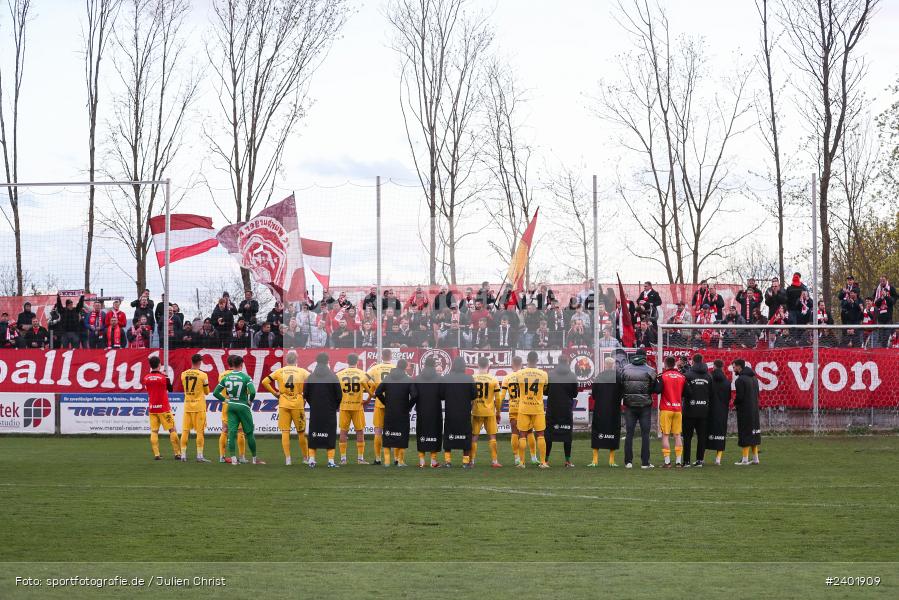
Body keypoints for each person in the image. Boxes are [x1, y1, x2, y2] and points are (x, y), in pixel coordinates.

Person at [261, 351, 310, 466]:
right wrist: (306, 395)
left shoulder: (280, 371)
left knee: (285, 432)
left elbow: (265, 381)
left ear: (286, 360)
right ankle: (305, 458)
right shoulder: (302, 371)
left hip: (283, 403)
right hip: (297, 403)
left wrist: (275, 393)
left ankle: (288, 459)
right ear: (296, 359)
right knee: (301, 432)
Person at [213, 355, 265, 465]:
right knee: (249, 433)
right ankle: (254, 459)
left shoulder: (225, 377)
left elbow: (215, 393)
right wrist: (250, 401)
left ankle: (233, 459)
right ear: (241, 365)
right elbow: (253, 392)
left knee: (230, 432)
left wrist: (226, 400)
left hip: (230, 406)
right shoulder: (246, 377)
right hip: (242, 406)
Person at [619, 348, 658, 469]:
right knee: (645, 434)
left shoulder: (625, 369)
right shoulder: (651, 370)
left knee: (629, 433)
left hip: (629, 405)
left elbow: (621, 385)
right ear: (645, 357)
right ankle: (645, 462)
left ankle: (628, 462)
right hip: (644, 406)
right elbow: (655, 389)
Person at [303, 353, 342, 468]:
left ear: (316, 361)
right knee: (330, 434)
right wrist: (334, 406)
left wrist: (313, 404)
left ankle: (311, 460)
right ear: (327, 361)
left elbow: (306, 394)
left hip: (315, 410)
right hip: (329, 410)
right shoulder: (333, 377)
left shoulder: (311, 377)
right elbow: (339, 395)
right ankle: (330, 461)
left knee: (313, 434)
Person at [375, 359, 415, 467]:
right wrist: (408, 406)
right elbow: (415, 395)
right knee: (402, 435)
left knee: (388, 435)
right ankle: (400, 461)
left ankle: (387, 461)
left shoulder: (388, 378)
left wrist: (386, 402)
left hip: (390, 412)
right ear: (405, 367)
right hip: (402, 412)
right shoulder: (408, 379)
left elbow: (377, 392)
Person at [515, 351, 550, 469]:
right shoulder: (543, 374)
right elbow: (545, 388)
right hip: (537, 408)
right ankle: (543, 462)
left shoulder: (519, 373)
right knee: (540, 434)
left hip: (524, 407)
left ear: (527, 360)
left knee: (522, 435)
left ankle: (521, 463)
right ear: (537, 360)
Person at [142, 355, 180, 460]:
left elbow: (148, 389)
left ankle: (157, 454)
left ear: (150, 365)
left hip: (152, 408)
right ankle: (177, 453)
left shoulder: (146, 378)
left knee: (154, 431)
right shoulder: (164, 378)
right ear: (159, 365)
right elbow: (171, 389)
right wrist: (165, 376)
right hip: (164, 408)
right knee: (172, 430)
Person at [442, 357, 476, 468]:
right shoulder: (469, 378)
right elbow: (474, 395)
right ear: (463, 366)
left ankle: (447, 462)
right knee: (466, 436)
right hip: (464, 412)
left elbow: (441, 395)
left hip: (450, 412)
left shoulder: (446, 378)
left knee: (448, 436)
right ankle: (465, 462)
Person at [336, 353, 370, 465]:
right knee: (360, 431)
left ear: (347, 361)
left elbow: (334, 390)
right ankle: (360, 459)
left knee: (343, 431)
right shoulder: (363, 374)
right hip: (357, 406)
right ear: (357, 361)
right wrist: (369, 398)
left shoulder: (339, 374)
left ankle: (343, 459)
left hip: (344, 406)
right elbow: (373, 385)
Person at [545, 356, 578, 467]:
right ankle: (568, 461)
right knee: (567, 435)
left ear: (558, 362)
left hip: (552, 409)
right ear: (567, 362)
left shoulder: (551, 374)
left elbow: (545, 392)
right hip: (566, 409)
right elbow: (575, 394)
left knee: (549, 435)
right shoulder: (572, 375)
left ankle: (546, 460)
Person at [470, 356, 502, 468]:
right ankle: (494, 461)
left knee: (474, 437)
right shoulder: (493, 379)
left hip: (476, 411)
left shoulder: (472, 378)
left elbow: (468, 396)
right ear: (488, 366)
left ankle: (472, 461)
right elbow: (498, 399)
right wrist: (498, 412)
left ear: (477, 365)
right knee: (492, 437)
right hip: (489, 412)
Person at [412, 357, 444, 468]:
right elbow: (443, 396)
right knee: (435, 433)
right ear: (434, 365)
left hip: (421, 410)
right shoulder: (439, 378)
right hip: (435, 410)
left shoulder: (417, 378)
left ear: (424, 365)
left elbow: (414, 395)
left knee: (421, 433)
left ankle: (421, 461)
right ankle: (433, 461)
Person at [590, 356, 621, 467]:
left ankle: (595, 460)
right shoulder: (618, 376)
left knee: (597, 432)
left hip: (600, 409)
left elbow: (594, 394)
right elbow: (621, 393)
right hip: (614, 409)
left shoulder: (599, 376)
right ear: (613, 365)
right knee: (613, 431)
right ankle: (611, 461)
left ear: (604, 365)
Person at [500, 355, 531, 466]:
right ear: (522, 364)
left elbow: (502, 396)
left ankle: (516, 457)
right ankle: (531, 457)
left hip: (513, 407)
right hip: (525, 407)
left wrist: (497, 410)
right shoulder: (525, 376)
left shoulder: (507, 378)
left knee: (514, 432)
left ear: (512, 364)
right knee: (526, 434)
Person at [179, 354, 211, 462]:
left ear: (191, 362)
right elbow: (207, 392)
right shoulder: (203, 375)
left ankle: (183, 455)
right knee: (200, 432)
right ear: (200, 362)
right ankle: (199, 455)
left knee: (185, 431)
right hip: (199, 407)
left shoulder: (183, 374)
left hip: (187, 406)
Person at [682, 354, 712, 467]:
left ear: (693, 362)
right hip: (704, 411)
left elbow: (683, 392)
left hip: (689, 411)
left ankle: (686, 461)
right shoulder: (709, 376)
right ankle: (700, 460)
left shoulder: (687, 375)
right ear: (702, 361)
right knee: (702, 437)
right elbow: (711, 393)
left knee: (687, 437)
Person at [366, 349, 394, 465]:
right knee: (393, 431)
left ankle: (377, 459)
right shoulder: (395, 368)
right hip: (393, 402)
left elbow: (364, 379)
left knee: (378, 431)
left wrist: (371, 391)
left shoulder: (375, 368)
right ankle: (395, 459)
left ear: (382, 356)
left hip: (379, 402)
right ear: (391, 356)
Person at [732, 358, 761, 466]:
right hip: (754, 410)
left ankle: (745, 459)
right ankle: (755, 458)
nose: (733, 369)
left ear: (739, 367)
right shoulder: (754, 379)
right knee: (754, 433)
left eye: (734, 367)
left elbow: (740, 397)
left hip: (744, 410)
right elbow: (757, 394)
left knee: (745, 433)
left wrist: (734, 403)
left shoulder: (740, 380)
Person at [658, 356, 686, 468]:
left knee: (665, 435)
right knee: (677, 435)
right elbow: (687, 392)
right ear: (674, 364)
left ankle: (667, 462)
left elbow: (657, 390)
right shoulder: (682, 376)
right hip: (678, 409)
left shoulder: (662, 376)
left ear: (665, 364)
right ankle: (679, 462)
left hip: (666, 408)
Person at [216, 359, 246, 463]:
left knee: (224, 430)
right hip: (237, 405)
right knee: (240, 431)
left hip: (226, 404)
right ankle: (242, 457)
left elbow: (219, 391)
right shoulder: (241, 375)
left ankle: (222, 457)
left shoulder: (221, 375)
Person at [707, 359, 731, 466]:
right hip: (722, 410)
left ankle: (701, 459)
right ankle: (718, 459)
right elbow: (728, 397)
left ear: (714, 367)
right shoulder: (727, 382)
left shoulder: (709, 379)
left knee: (705, 433)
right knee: (721, 433)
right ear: (722, 367)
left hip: (709, 409)